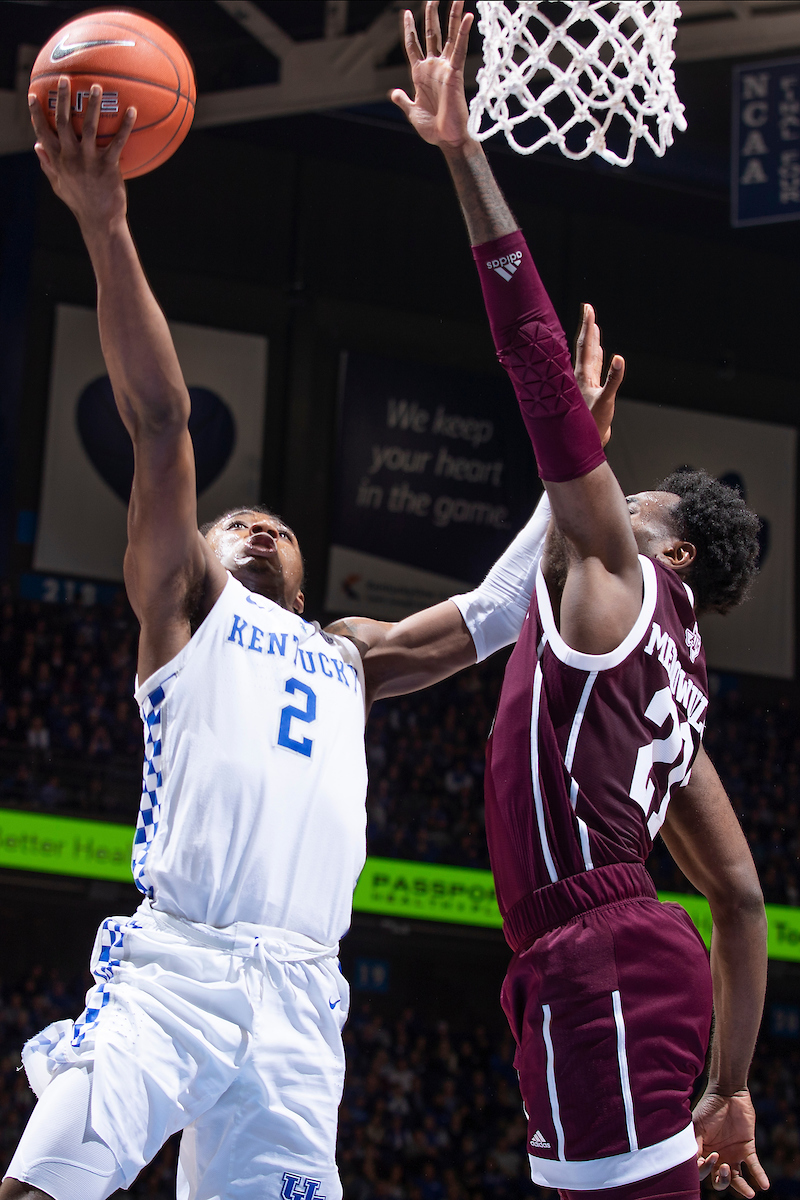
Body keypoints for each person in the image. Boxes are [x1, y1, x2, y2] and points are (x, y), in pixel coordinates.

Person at [2, 75, 610, 1200]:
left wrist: (565, 456)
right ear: (206, 546)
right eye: (241, 519)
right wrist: (105, 221)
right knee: (43, 1189)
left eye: (278, 523)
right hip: (175, 966)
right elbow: (160, 418)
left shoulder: (346, 654)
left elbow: (488, 614)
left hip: (301, 1001)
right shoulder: (186, 607)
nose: (264, 522)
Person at [392, 5, 769, 1199]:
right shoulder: (681, 692)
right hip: (624, 950)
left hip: (596, 955)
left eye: (634, 491)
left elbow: (534, 360)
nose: (615, 487)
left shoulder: (620, 570)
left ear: (671, 548)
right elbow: (743, 896)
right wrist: (730, 1085)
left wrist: (464, 156)